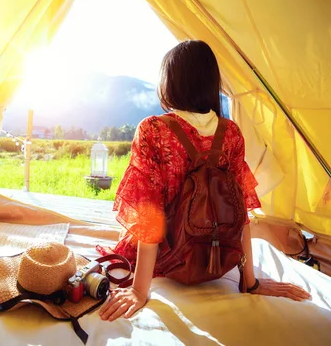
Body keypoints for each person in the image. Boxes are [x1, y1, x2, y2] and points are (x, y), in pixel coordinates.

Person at [98, 40, 311, 322]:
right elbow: (240, 212)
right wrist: (251, 281)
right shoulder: (231, 133)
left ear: (169, 83)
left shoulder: (154, 129)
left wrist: (139, 290)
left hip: (167, 258)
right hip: (218, 258)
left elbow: (150, 216)